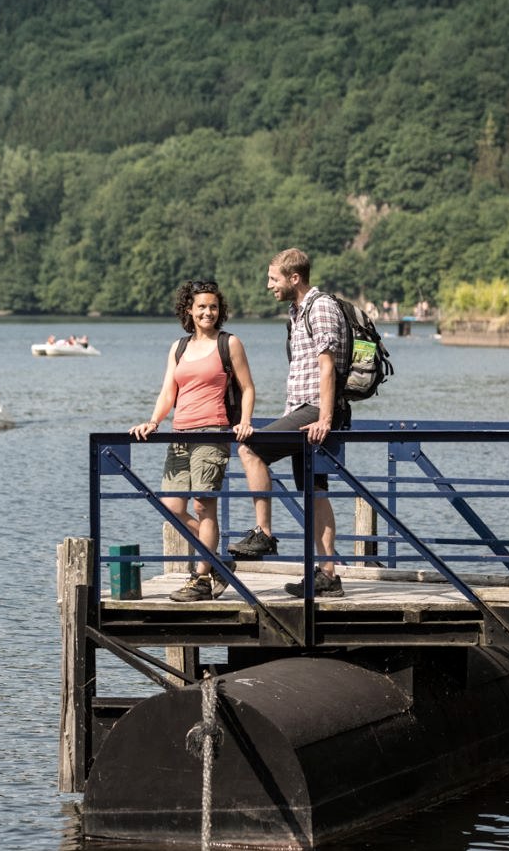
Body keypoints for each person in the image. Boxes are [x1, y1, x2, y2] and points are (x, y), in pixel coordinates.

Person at [228, 248, 351, 598]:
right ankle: (328, 575)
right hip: (303, 410)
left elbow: (327, 366)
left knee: (250, 449)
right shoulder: (297, 312)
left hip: (315, 411)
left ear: (294, 278)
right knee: (315, 492)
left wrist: (324, 417)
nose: (269, 285)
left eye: (273, 279)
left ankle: (264, 533)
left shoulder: (320, 307)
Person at [130, 279, 256, 602]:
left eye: (213, 307)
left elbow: (247, 388)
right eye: (201, 307)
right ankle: (217, 560)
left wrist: (244, 421)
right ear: (189, 309)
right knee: (172, 507)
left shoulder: (230, 343)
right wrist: (153, 421)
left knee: (203, 506)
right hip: (179, 435)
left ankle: (201, 578)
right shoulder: (179, 347)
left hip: (212, 433)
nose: (208, 312)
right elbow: (168, 392)